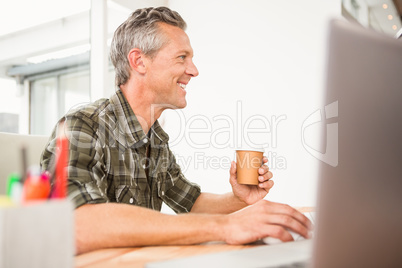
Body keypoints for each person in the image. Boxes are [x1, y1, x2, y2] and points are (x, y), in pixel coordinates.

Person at [41, 6, 312, 255]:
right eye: (182, 57)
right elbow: (77, 223)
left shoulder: (155, 138)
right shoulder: (82, 125)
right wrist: (225, 227)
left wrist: (238, 199)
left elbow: (190, 203)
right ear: (139, 62)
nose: (193, 70)